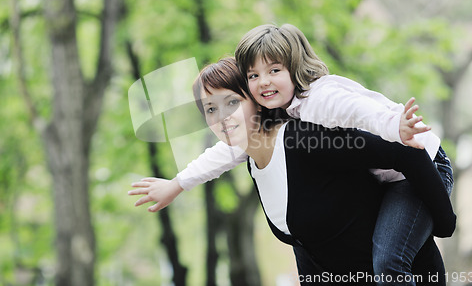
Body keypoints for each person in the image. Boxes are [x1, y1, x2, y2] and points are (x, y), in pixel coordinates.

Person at [129, 24, 454, 284]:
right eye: (210, 109)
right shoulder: (252, 159)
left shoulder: (312, 119)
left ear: (255, 101)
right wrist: (176, 184)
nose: (223, 118)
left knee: (389, 262)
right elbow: (306, 247)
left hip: (419, 166)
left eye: (232, 102)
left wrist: (443, 220)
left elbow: (401, 149)